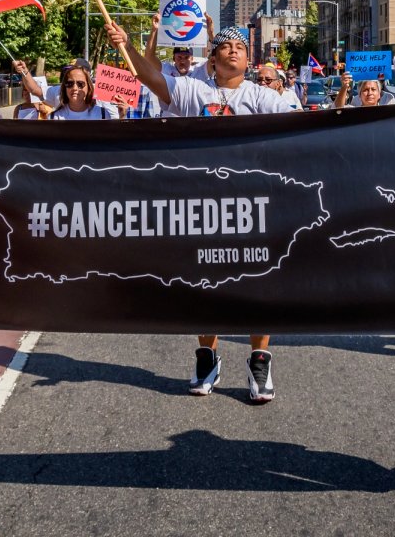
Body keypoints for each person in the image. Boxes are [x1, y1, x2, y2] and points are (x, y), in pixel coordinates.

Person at [107, 21, 289, 402]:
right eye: (226, 45)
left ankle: (259, 359)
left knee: (258, 286)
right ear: (214, 55)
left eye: (240, 46)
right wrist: (128, 45)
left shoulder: (266, 98)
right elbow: (149, 76)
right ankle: (207, 357)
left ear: (249, 58)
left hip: (253, 208)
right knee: (206, 284)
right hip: (203, 207)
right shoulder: (192, 90)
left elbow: (297, 134)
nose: (234, 50)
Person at [47, 62, 121, 120]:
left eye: (80, 84)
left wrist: (122, 116)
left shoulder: (102, 114)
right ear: (64, 87)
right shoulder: (53, 117)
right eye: (70, 83)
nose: (74, 88)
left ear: (88, 87)